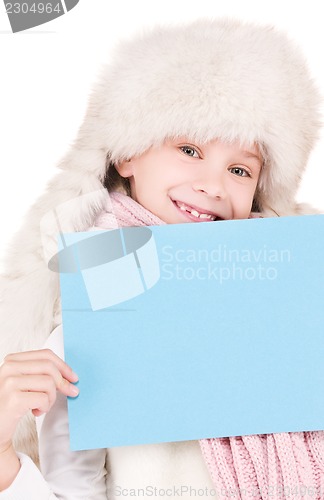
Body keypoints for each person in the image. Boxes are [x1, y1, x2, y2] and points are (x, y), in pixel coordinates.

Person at [0, 17, 323, 499]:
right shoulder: (95, 299)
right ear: (127, 155)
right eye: (189, 148)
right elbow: (74, 485)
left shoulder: (294, 291)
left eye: (239, 168)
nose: (213, 185)